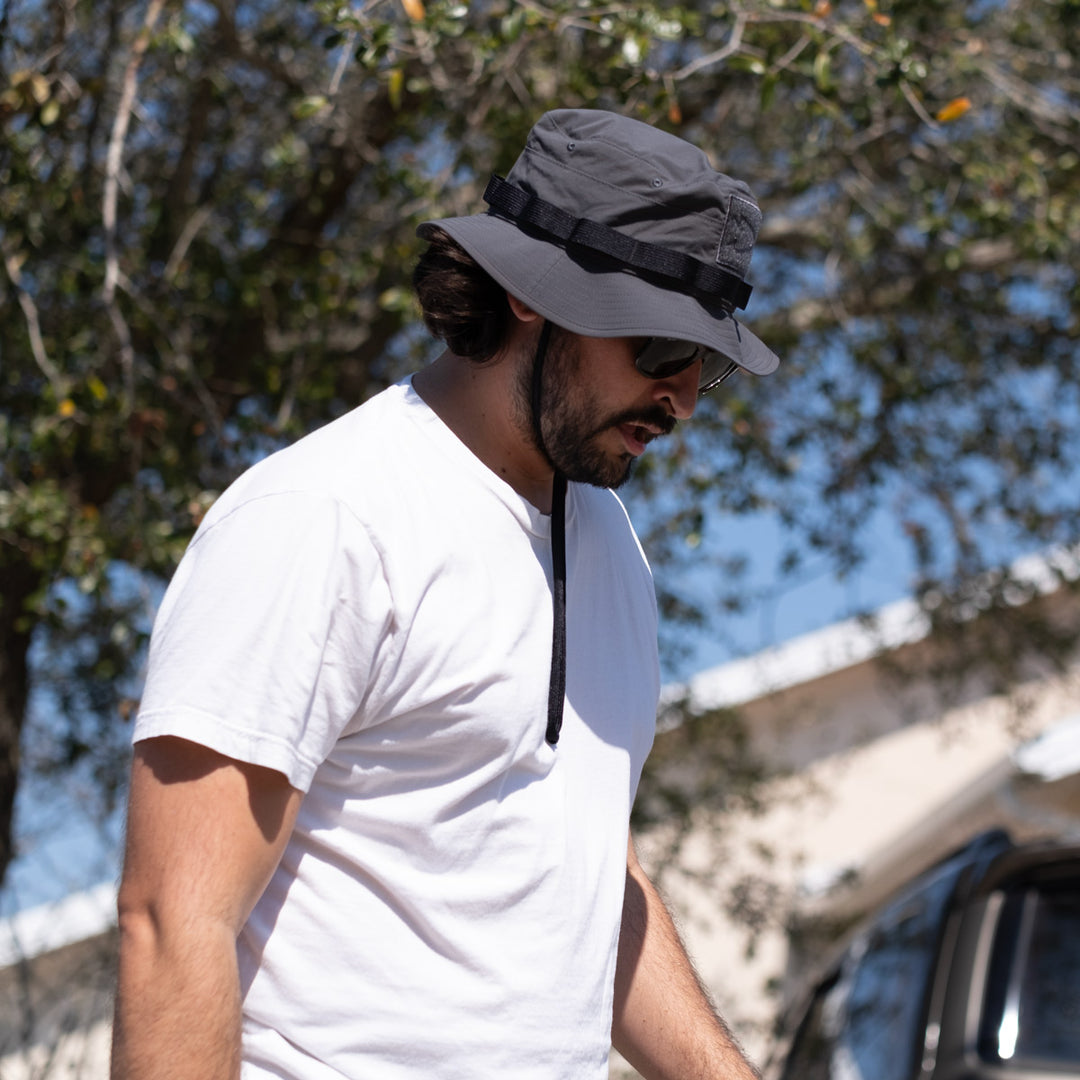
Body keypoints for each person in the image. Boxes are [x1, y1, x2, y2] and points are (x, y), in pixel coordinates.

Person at [111, 108, 779, 1080]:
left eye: (706, 363)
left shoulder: (610, 542)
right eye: (658, 348)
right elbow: (174, 923)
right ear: (531, 295)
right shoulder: (324, 517)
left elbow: (599, 879)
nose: (680, 397)